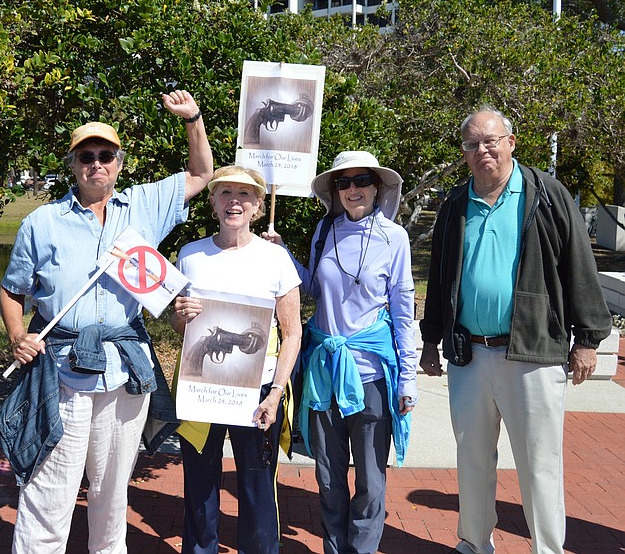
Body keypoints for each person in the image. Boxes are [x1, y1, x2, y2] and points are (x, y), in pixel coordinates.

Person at [0, 90, 213, 553]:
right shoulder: (42, 222)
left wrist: (192, 118)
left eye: (106, 156)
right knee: (48, 489)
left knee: (113, 494)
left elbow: (201, 174)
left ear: (119, 163)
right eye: (86, 156)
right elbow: (12, 290)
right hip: (61, 369)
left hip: (123, 371)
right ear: (73, 165)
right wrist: (17, 334)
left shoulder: (145, 205)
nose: (96, 164)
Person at [419, 106, 612, 554]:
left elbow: (579, 264)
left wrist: (587, 339)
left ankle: (546, 549)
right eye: (472, 144)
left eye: (490, 140)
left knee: (539, 464)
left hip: (532, 353)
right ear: (464, 153)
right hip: (470, 355)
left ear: (511, 142)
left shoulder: (546, 194)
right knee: (471, 461)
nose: (482, 150)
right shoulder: (455, 203)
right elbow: (441, 275)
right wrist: (431, 339)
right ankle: (473, 544)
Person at [265, 150, 417, 554]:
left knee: (371, 480)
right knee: (329, 476)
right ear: (334, 191)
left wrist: (408, 378)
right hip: (325, 373)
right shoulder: (325, 230)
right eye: (343, 182)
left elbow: (403, 312)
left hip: (371, 375)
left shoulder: (395, 238)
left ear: (377, 186)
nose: (353, 189)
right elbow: (312, 288)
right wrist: (283, 252)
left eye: (362, 180)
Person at [171, 166, 302, 554]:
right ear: (212, 202)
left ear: (258, 205)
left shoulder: (276, 259)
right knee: (199, 487)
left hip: (258, 391)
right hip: (200, 389)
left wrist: (276, 393)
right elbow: (181, 328)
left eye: (245, 194)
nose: (235, 201)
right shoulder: (190, 255)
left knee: (258, 489)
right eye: (225, 192)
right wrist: (181, 316)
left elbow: (292, 332)